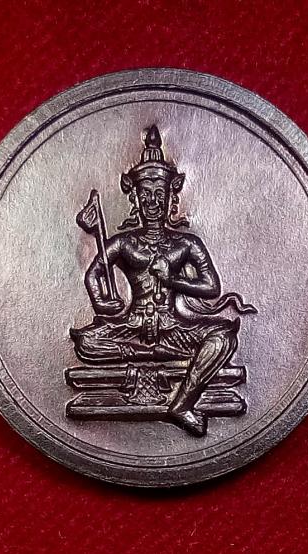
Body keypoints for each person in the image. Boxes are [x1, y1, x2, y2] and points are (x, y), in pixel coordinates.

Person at [71, 126, 254, 436]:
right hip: (132, 329)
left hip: (173, 328)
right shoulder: (124, 242)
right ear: (135, 198)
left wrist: (173, 281)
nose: (152, 202)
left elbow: (212, 287)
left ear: (171, 196)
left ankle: (182, 404)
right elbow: (94, 273)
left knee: (223, 338)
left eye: (159, 194)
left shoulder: (186, 244)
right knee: (87, 342)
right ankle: (150, 356)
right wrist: (101, 302)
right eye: (146, 194)